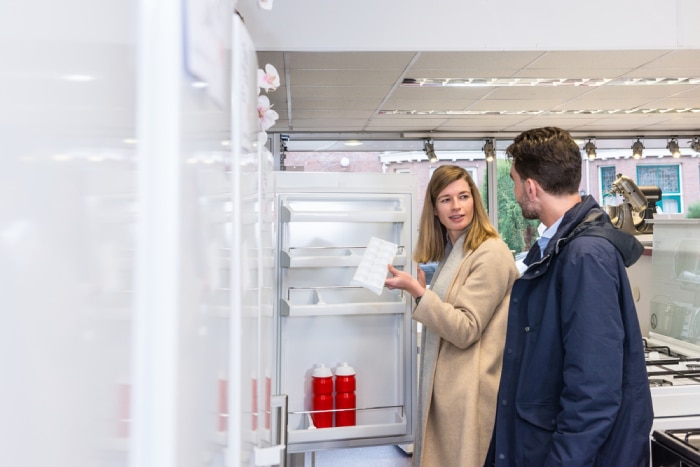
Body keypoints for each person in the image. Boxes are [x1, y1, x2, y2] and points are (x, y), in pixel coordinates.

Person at [485, 127, 654, 466]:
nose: (516, 192)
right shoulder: (560, 248)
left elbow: (593, 390)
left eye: (516, 182)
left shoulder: (585, 256)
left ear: (532, 187)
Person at [384, 165, 519, 467]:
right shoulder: (453, 250)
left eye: (463, 196)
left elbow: (466, 328)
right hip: (448, 393)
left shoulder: (491, 252)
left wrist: (419, 294)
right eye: (445, 199)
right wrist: (419, 288)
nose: (456, 207)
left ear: (475, 201)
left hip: (470, 393)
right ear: (434, 208)